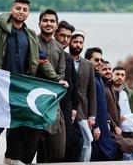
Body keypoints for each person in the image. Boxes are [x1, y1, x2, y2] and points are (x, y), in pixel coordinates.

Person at [0, 0, 61, 165]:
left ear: (28, 13)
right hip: (0, 86)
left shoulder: (30, 35)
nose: (21, 12)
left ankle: (11, 159)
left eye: (25, 10)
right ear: (12, 9)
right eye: (18, 8)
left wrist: (56, 79)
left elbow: (42, 60)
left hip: (21, 89)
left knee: (18, 125)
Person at [36, 9, 66, 163]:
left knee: (58, 152)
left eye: (52, 21)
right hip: (33, 101)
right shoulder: (31, 41)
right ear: (39, 23)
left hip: (53, 102)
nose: (48, 23)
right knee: (28, 151)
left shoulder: (59, 47)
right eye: (45, 20)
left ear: (56, 25)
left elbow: (61, 74)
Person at [54, 20, 83, 162]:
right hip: (49, 102)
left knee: (72, 141)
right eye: (62, 35)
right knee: (47, 142)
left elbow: (73, 85)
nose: (65, 39)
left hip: (66, 105)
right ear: (55, 34)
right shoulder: (48, 53)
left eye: (68, 36)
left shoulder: (68, 58)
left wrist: (74, 108)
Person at [100, 61, 133, 160]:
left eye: (122, 75)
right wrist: (115, 125)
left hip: (128, 129)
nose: (120, 77)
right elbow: (105, 110)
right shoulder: (107, 89)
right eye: (117, 74)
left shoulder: (128, 92)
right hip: (114, 129)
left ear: (125, 77)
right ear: (112, 75)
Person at [84, 47, 117, 161]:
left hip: (103, 126)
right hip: (95, 127)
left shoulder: (98, 78)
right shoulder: (89, 77)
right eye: (96, 60)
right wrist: (95, 126)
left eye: (101, 60)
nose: (100, 63)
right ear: (88, 60)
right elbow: (88, 103)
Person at [69, 30, 97, 162]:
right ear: (70, 42)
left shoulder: (88, 64)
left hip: (82, 110)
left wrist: (92, 115)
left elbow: (92, 91)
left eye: (80, 42)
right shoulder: (63, 58)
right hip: (65, 107)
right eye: (75, 42)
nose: (78, 45)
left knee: (87, 140)